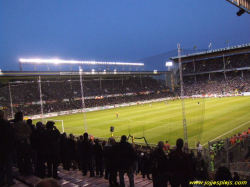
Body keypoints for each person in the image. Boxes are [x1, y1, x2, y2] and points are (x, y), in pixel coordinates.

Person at [13, 111, 33, 176]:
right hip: (24, 143)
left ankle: (21, 171)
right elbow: (30, 131)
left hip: (17, 143)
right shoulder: (23, 123)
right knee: (27, 157)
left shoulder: (14, 124)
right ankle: (28, 172)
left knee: (19, 158)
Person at [0, 110, 15, 186]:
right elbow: (11, 136)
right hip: (6, 148)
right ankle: (10, 180)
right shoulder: (6, 124)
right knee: (8, 165)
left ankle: (2, 181)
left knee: (1, 167)